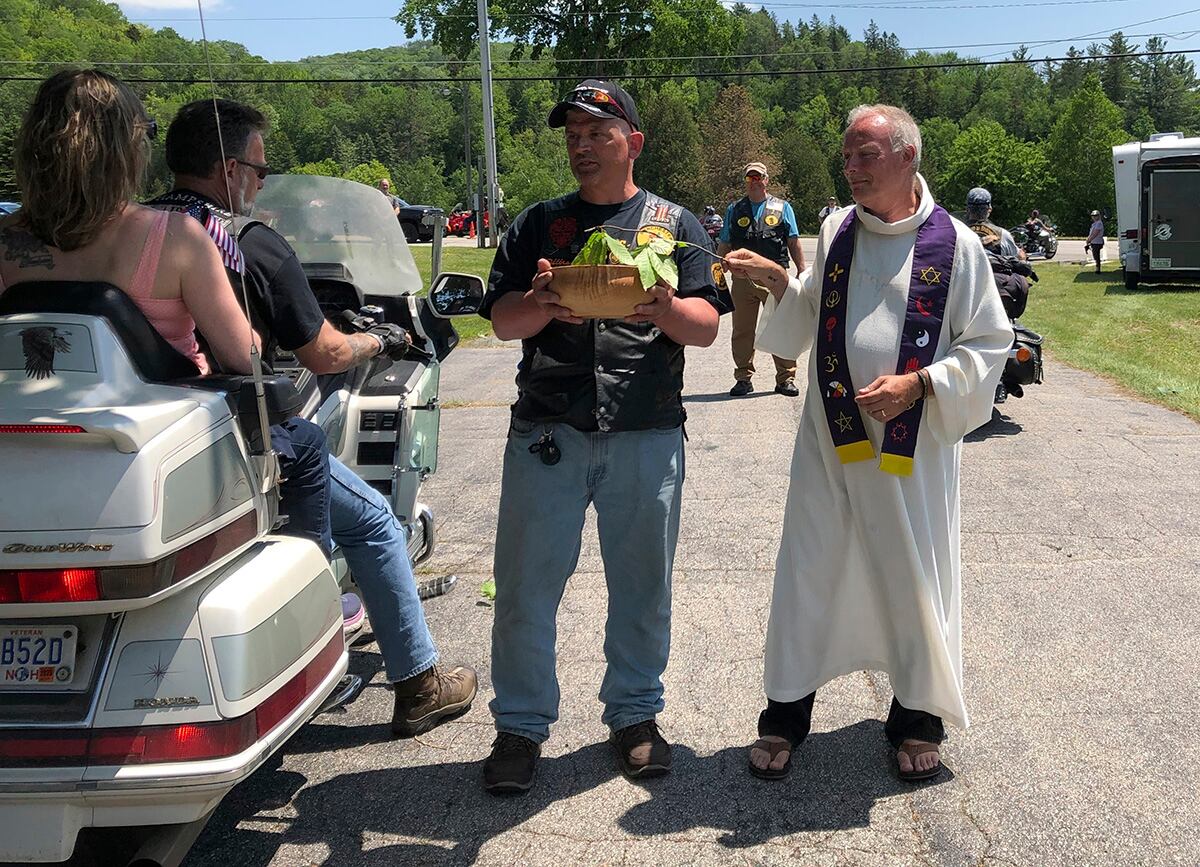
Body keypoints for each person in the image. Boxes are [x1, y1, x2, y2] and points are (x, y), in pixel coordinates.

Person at [150, 98, 478, 739]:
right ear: (228, 170)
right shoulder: (244, 243)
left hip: (160, 433)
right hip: (238, 437)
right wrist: (377, 343)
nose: (263, 182)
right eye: (259, 170)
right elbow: (322, 351)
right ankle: (418, 684)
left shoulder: (140, 230)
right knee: (377, 523)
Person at [724, 104, 1011, 783]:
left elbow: (990, 344)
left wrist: (921, 386)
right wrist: (777, 284)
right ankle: (785, 713)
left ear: (908, 157)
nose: (850, 168)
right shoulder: (836, 230)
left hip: (911, 459)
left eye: (865, 156)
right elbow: (811, 315)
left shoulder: (957, 247)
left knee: (913, 575)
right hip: (832, 446)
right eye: (847, 156)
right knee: (809, 569)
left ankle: (915, 718)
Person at [478, 78, 731, 794]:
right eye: (574, 136)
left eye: (598, 133)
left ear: (633, 143)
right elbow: (501, 321)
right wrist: (537, 301)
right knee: (526, 588)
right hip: (548, 432)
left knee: (642, 587)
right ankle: (521, 726)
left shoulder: (676, 222)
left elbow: (708, 326)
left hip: (645, 430)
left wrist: (664, 307)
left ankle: (635, 716)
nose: (582, 147)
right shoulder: (538, 224)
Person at [717, 162, 806, 398]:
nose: (754, 181)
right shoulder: (734, 209)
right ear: (745, 181)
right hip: (742, 278)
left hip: (775, 278)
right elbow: (725, 241)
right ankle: (743, 378)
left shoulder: (783, 207)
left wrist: (802, 270)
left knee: (781, 326)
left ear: (767, 180)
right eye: (750, 178)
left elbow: (793, 241)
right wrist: (716, 268)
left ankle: (786, 378)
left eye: (759, 177)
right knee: (742, 330)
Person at [964, 187, 1024, 261]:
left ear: (967, 209)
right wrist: (1022, 253)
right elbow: (1020, 258)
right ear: (989, 209)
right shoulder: (1002, 234)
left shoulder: (957, 233)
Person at [1086, 209, 1105, 273]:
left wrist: (1089, 239)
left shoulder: (1099, 223)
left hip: (1097, 242)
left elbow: (1095, 233)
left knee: (1096, 256)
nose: (1094, 217)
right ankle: (1097, 268)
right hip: (1094, 242)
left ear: (1099, 216)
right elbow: (1092, 233)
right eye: (1093, 216)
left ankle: (1098, 269)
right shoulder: (1095, 223)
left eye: (1096, 215)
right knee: (1095, 255)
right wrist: (1088, 239)